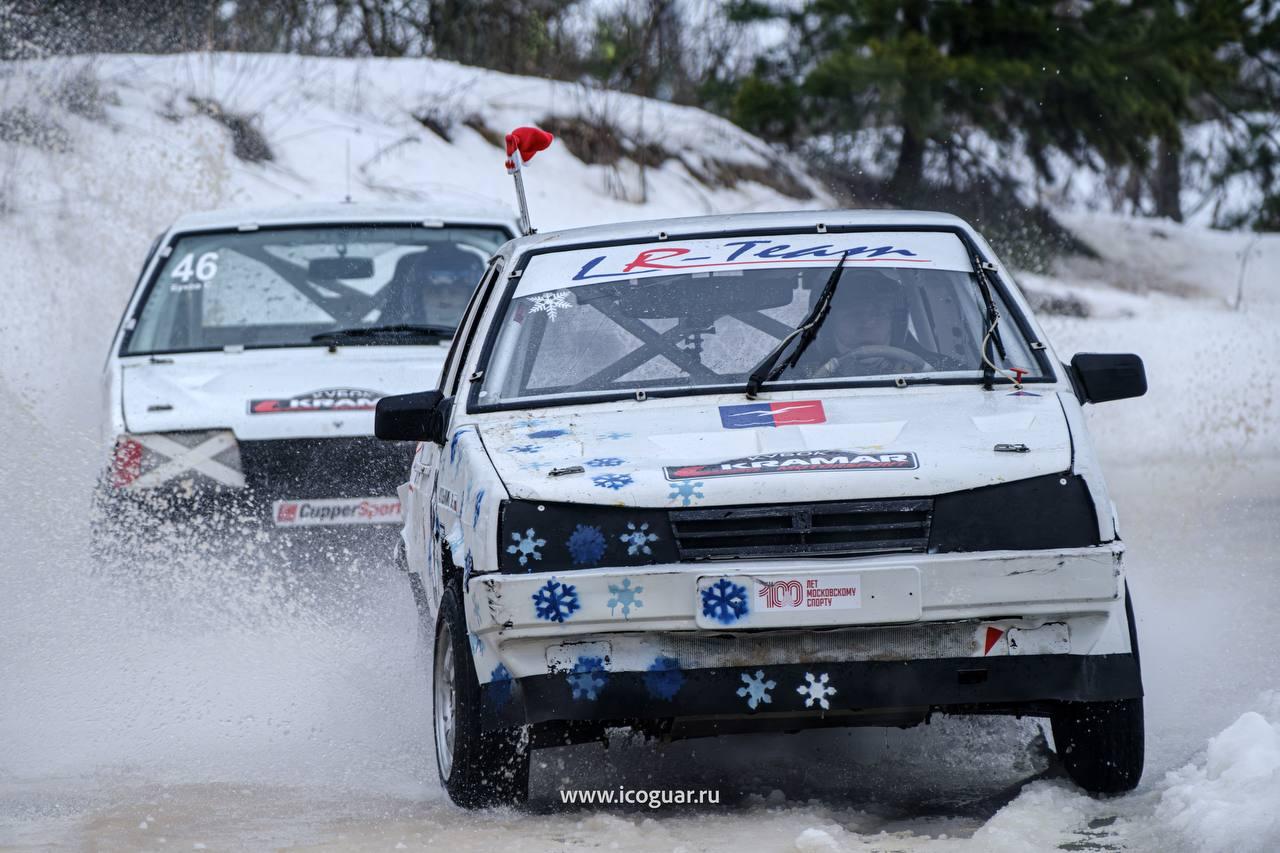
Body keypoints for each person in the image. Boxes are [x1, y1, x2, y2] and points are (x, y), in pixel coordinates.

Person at [799, 269, 962, 377]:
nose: (867, 324)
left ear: (895, 323)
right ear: (828, 326)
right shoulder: (797, 380)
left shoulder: (942, 371)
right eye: (853, 315)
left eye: (878, 314)